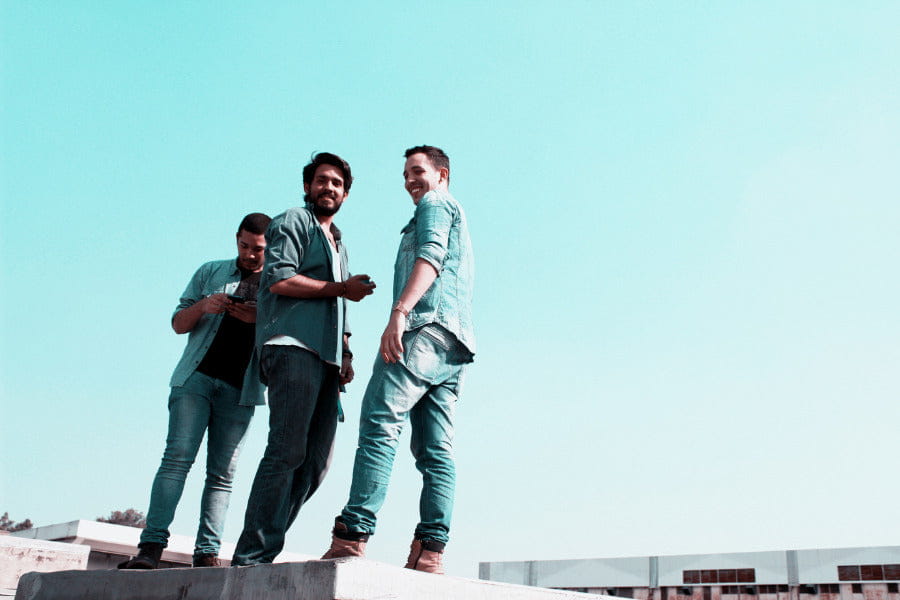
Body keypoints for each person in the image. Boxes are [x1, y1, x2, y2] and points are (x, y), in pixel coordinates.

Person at [322, 145, 475, 574]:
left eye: (418, 170)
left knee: (378, 423)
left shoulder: (436, 203)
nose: (410, 180)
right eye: (406, 173)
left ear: (442, 173)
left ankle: (352, 534)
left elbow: (430, 257)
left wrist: (399, 313)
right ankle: (431, 550)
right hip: (454, 344)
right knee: (435, 450)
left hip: (424, 330)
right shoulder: (449, 210)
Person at [231, 152, 376, 565]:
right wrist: (340, 288)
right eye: (321, 180)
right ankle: (252, 557)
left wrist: (346, 351)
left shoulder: (339, 241)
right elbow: (279, 279)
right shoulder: (293, 220)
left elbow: (341, 305)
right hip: (291, 346)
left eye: (337, 183)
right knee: (286, 451)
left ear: (346, 194)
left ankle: (264, 547)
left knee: (314, 464)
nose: (329, 188)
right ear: (308, 186)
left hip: (327, 360)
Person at [119, 212, 272, 570]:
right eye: (244, 246)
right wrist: (204, 305)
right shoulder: (211, 271)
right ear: (236, 239)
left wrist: (257, 317)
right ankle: (150, 549)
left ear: (272, 248)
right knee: (176, 461)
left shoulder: (277, 285)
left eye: (259, 249)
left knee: (222, 476)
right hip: (195, 380)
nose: (250, 254)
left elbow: (280, 336)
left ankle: (207, 554)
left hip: (241, 390)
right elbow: (177, 323)